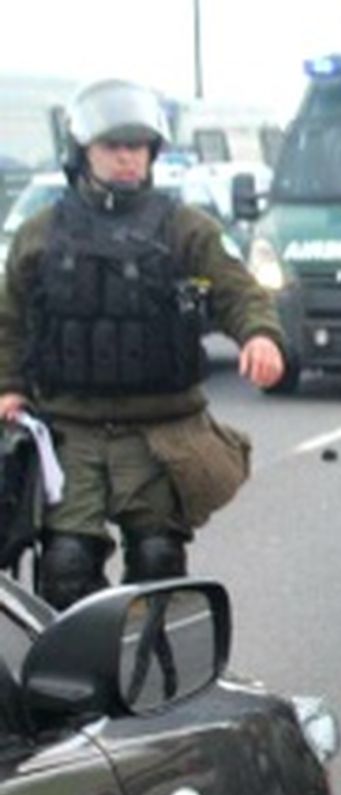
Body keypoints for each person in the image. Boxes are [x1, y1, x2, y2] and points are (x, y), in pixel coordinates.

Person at [0, 79, 285, 610]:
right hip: (70, 431)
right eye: (113, 147)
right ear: (84, 152)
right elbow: (9, 318)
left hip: (160, 431)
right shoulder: (42, 232)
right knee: (65, 564)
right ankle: (76, 684)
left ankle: (156, 676)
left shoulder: (185, 229)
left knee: (158, 560)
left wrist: (261, 336)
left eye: (137, 147)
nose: (127, 159)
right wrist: (9, 387)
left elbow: (238, 290)